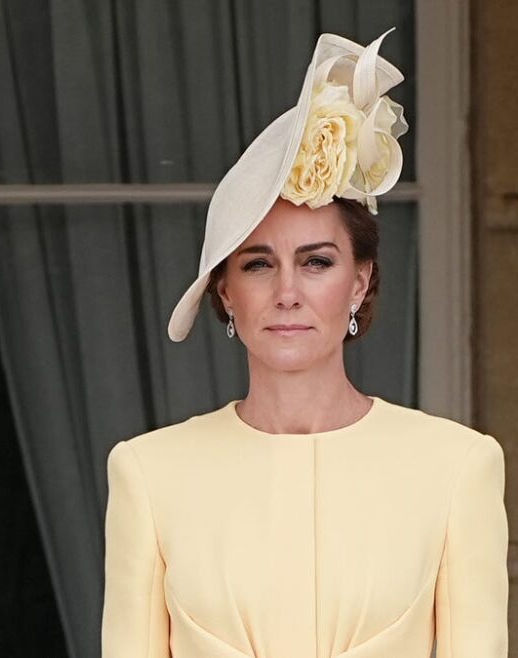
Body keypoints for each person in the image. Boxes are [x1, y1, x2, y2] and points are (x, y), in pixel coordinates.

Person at [102, 32, 507, 657]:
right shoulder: (149, 473)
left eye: (316, 262)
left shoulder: (457, 467)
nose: (287, 292)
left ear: (359, 281)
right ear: (226, 292)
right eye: (259, 265)